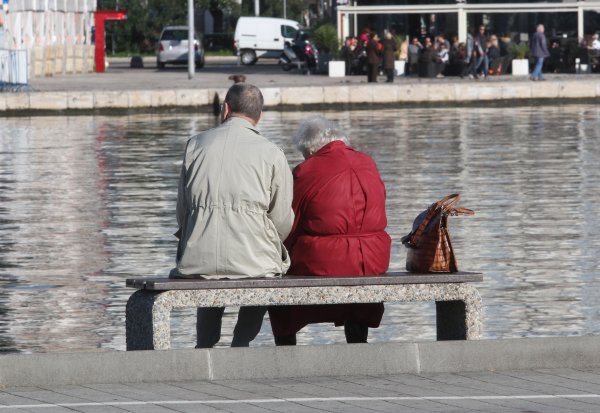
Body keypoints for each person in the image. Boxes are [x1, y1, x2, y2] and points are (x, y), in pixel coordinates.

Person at [171, 83, 294, 348]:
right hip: (254, 259)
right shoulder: (272, 153)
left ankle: (205, 344)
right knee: (264, 270)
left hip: (197, 259)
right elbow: (282, 218)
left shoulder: (195, 146)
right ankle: (241, 343)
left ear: (225, 109)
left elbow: (182, 211)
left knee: (207, 265)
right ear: (259, 115)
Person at [268, 116, 391, 346]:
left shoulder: (308, 170)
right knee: (357, 283)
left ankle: (285, 351)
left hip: (324, 262)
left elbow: (289, 223)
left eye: (305, 154)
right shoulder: (368, 162)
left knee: (280, 287)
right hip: (373, 261)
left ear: (311, 148)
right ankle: (357, 342)